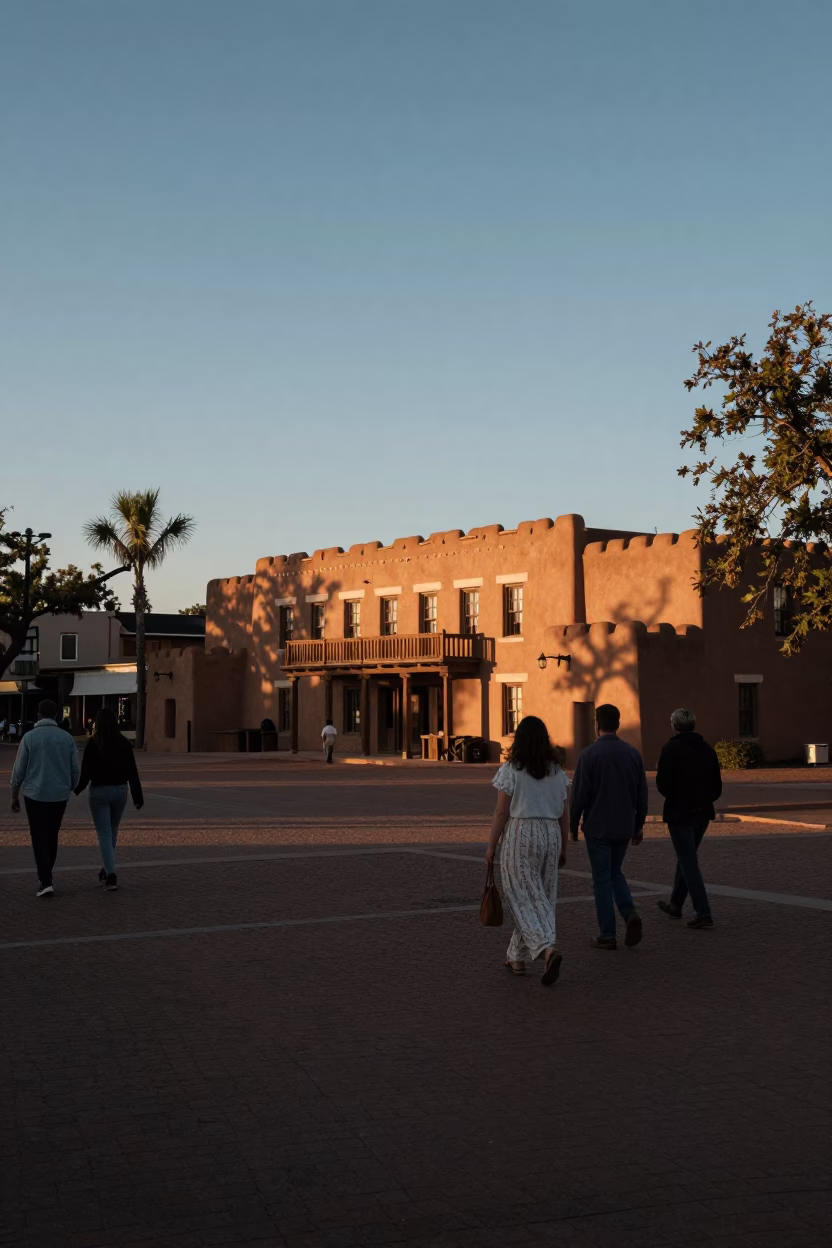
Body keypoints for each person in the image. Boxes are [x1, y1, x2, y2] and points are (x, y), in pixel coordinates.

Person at [485, 715, 570, 986]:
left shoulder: (511, 769)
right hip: (551, 833)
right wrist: (564, 845)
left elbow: (501, 811)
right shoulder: (556, 771)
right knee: (540, 894)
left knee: (521, 895)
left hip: (521, 831)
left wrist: (491, 845)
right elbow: (564, 812)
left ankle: (547, 949)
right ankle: (516, 957)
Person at [570, 703, 648, 950]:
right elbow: (641, 794)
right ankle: (629, 912)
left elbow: (579, 795)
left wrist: (572, 824)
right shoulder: (633, 754)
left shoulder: (589, 755)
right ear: (618, 723)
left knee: (602, 878)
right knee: (615, 871)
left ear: (597, 724)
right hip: (624, 824)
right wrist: (638, 824)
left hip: (598, 826)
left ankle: (607, 932)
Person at [655, 707, 721, 929]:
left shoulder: (670, 749)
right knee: (686, 857)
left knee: (688, 862)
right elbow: (717, 787)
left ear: (674, 726)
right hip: (702, 813)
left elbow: (662, 784)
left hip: (679, 813)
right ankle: (676, 903)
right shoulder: (707, 750)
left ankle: (703, 911)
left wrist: (679, 797)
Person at [10, 698, 80, 897]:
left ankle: (45, 879)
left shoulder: (30, 738)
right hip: (59, 794)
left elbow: (19, 769)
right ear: (56, 715)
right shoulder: (66, 738)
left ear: (38, 715)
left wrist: (14, 795)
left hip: (35, 794)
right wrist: (71, 787)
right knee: (52, 834)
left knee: (38, 836)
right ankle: (47, 874)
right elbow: (75, 768)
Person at [74, 707, 144, 891]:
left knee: (104, 832)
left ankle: (111, 874)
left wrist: (76, 789)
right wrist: (138, 797)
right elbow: (132, 772)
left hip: (99, 791)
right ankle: (107, 867)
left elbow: (86, 773)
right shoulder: (124, 743)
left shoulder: (94, 743)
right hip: (121, 790)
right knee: (112, 831)